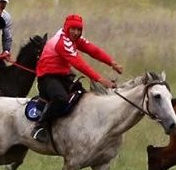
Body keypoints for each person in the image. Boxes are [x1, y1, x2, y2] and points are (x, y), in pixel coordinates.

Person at [31, 13, 123, 143]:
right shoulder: (62, 42)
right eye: (73, 29)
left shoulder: (73, 38)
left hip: (63, 77)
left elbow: (93, 50)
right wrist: (101, 80)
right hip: (47, 77)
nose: (76, 32)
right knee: (61, 98)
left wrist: (111, 62)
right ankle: (40, 126)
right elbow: (79, 64)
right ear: (66, 28)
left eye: (79, 29)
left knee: (82, 97)